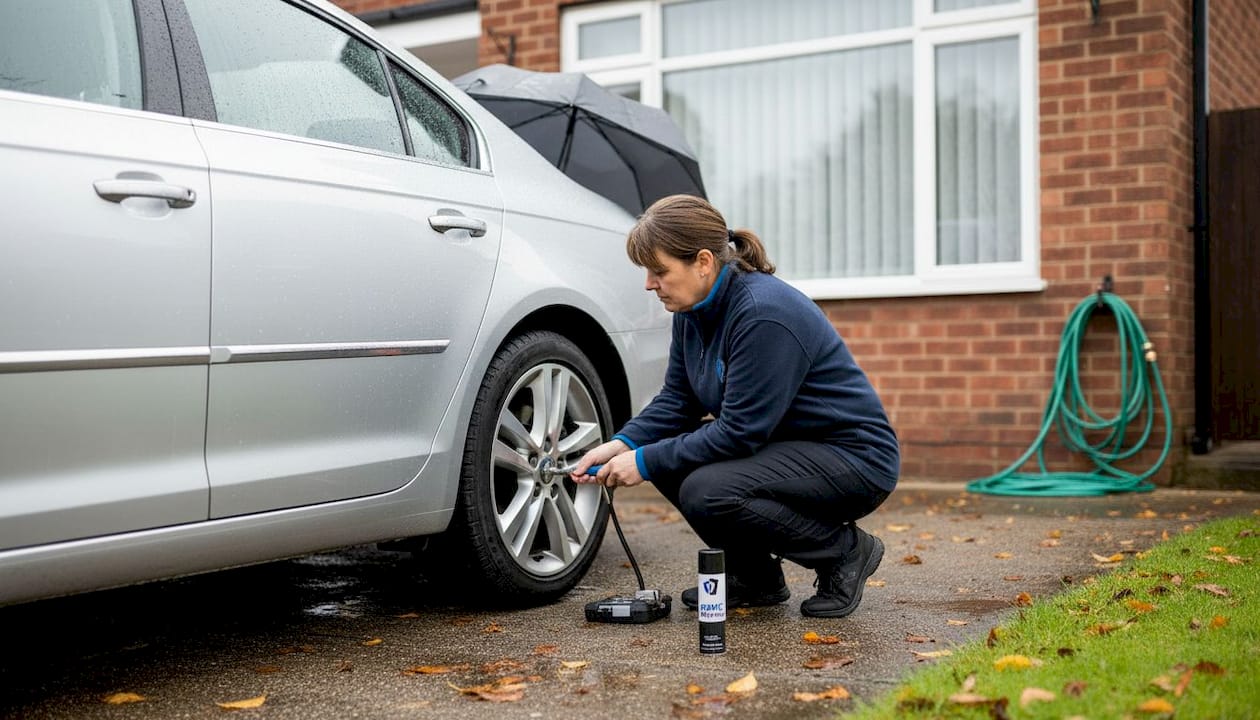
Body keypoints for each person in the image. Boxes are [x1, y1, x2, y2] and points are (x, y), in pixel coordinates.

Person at [572, 194, 900, 619]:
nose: (650, 284)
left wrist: (646, 460)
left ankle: (844, 552)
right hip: (787, 448)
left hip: (852, 458)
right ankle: (755, 577)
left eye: (660, 271)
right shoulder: (692, 312)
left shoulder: (763, 314)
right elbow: (679, 400)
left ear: (703, 262)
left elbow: (741, 431)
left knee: (707, 489)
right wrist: (621, 443)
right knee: (674, 459)